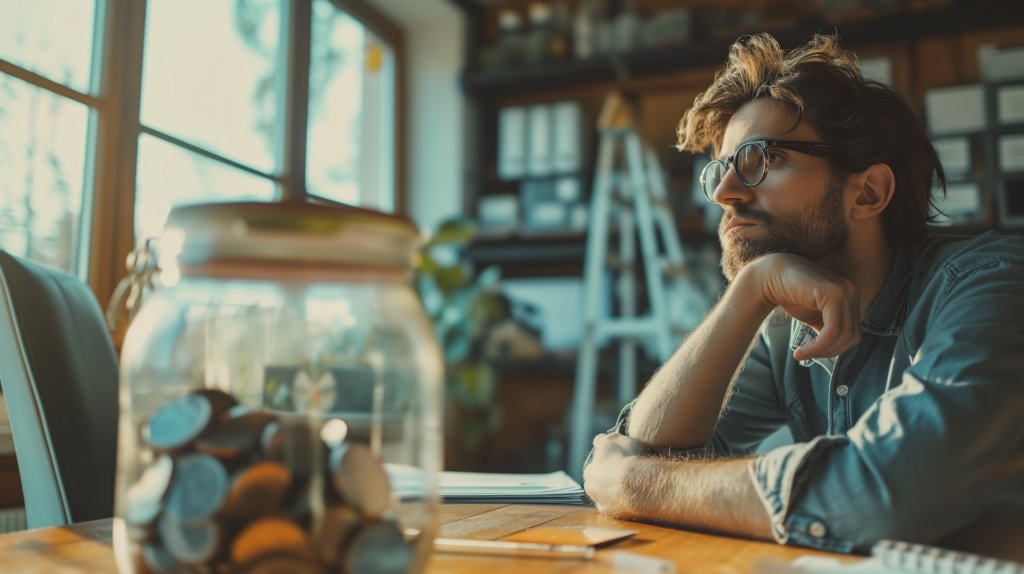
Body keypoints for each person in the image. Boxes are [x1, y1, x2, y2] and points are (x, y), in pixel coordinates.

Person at [582, 32, 1024, 553]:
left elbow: (880, 498)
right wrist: (748, 293)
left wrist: (631, 483)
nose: (725, 193)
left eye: (759, 159)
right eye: (720, 170)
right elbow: (648, 445)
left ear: (868, 192)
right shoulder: (782, 323)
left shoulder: (991, 286)